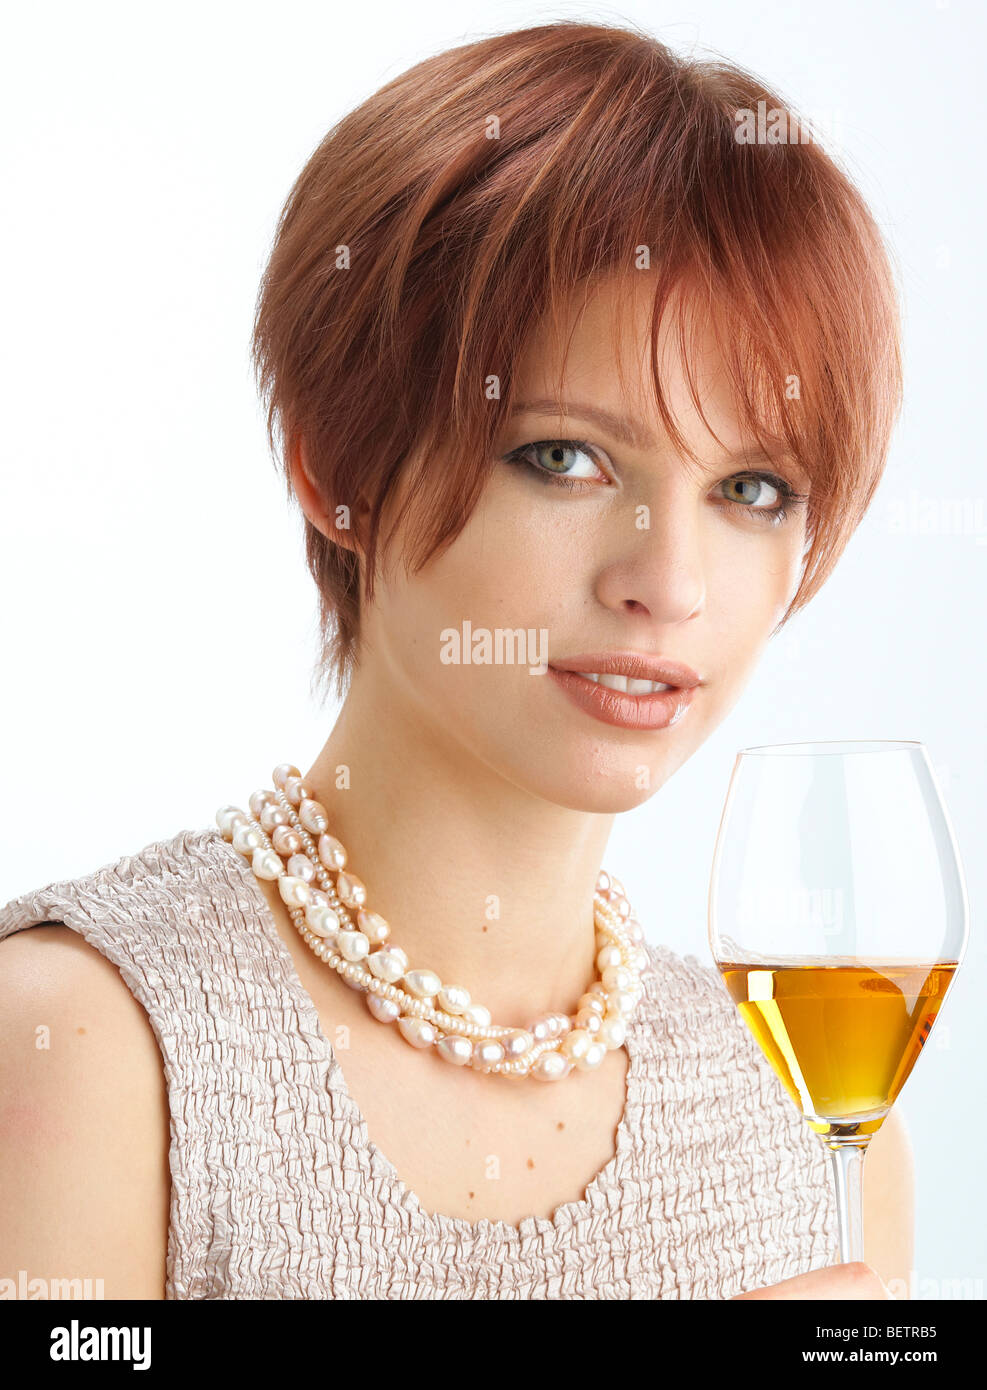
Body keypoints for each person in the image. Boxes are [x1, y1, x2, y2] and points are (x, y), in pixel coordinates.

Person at [0, 19, 911, 1300]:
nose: (670, 581)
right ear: (341, 469)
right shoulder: (96, 1044)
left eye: (752, 487)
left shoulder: (808, 1115)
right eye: (565, 457)